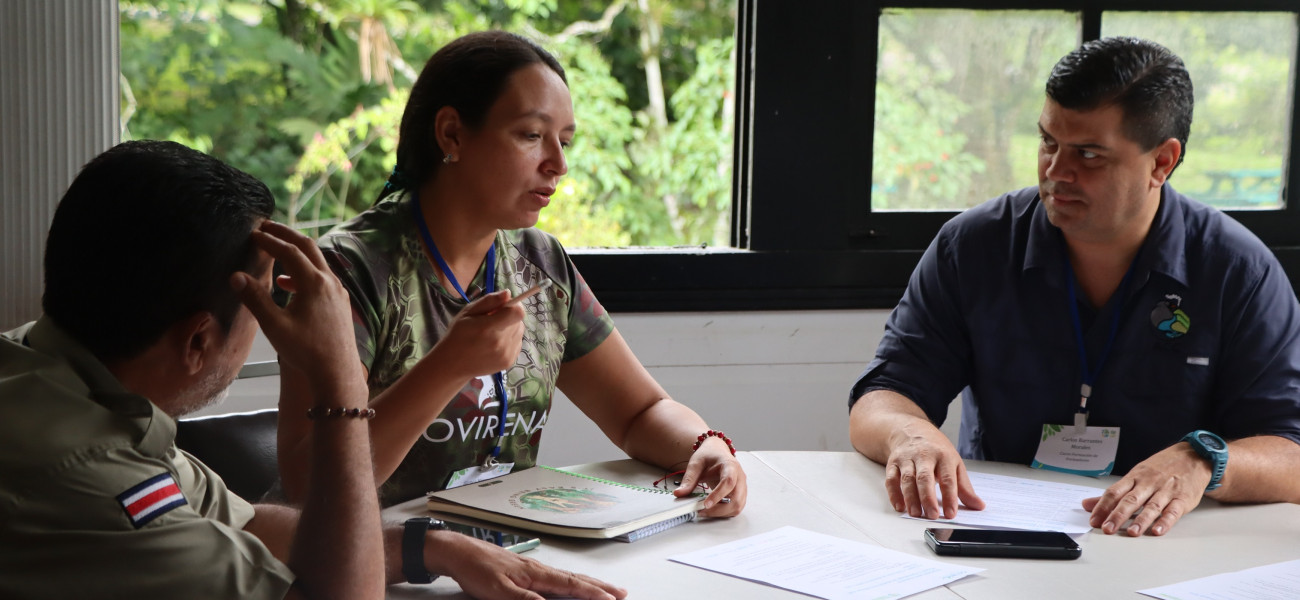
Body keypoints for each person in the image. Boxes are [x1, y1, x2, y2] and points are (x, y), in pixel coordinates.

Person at [0, 140, 625, 600]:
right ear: (198, 339)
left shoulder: (52, 373)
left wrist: (430, 546)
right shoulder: (93, 480)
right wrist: (340, 386)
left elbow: (247, 525)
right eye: (267, 301)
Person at [279, 31, 747, 516]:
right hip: (371, 569)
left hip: (502, 559)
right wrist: (449, 364)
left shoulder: (538, 263)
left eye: (564, 142)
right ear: (452, 134)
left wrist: (706, 446)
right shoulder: (343, 271)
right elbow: (309, 487)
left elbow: (638, 413)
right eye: (531, 135)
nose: (558, 164)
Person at [848, 37, 1300, 538]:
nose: (1055, 173)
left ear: (1161, 163)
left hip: (1170, 542)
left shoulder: (1237, 269)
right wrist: (909, 436)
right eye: (1048, 142)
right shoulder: (974, 245)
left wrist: (1203, 461)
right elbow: (883, 396)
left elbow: (1292, 451)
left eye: (1088, 155)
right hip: (1002, 531)